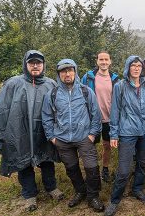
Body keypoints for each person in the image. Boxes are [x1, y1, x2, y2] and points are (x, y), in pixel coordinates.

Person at [0, 50, 64, 211]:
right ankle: (29, 194)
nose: (35, 65)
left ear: (43, 65)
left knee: (47, 159)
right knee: (23, 161)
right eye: (31, 62)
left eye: (38, 63)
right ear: (26, 64)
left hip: (44, 131)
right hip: (20, 132)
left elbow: (59, 108)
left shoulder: (51, 84)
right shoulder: (13, 83)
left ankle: (51, 188)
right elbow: (1, 108)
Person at [41, 59, 104, 212]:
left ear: (75, 72)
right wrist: (52, 137)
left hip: (84, 137)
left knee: (92, 167)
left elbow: (96, 114)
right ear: (59, 74)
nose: (67, 73)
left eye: (70, 70)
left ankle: (93, 196)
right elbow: (46, 117)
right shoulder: (52, 94)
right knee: (72, 168)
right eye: (63, 71)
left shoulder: (86, 91)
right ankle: (80, 191)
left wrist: (92, 134)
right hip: (62, 139)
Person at [104, 56, 145, 216]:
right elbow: (115, 111)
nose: (136, 68)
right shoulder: (120, 86)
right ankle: (114, 200)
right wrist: (114, 133)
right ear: (128, 67)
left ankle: (137, 189)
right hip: (127, 132)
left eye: (139, 66)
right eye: (133, 65)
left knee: (142, 163)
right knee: (124, 169)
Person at [81, 50, 120, 183]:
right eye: (101, 59)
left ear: (110, 61)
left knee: (107, 145)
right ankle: (92, 171)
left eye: (106, 59)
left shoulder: (115, 79)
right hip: (93, 119)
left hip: (110, 119)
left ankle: (105, 169)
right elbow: (81, 96)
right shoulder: (88, 77)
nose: (104, 62)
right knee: (90, 146)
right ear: (97, 61)